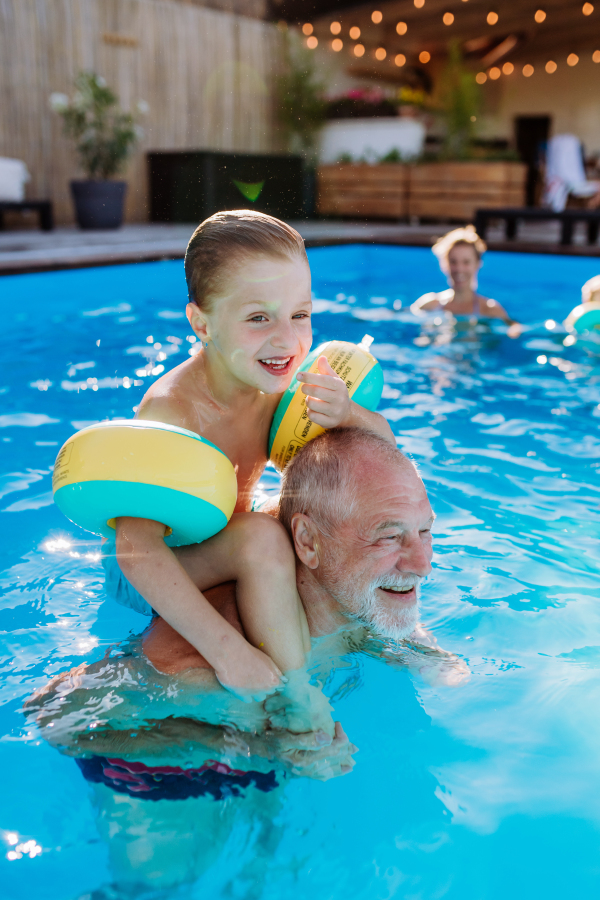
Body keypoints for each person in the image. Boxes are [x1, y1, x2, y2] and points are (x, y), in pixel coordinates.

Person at [27, 429, 467, 890]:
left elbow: (389, 630)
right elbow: (61, 712)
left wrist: (430, 658)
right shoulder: (210, 668)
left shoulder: (345, 592)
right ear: (308, 543)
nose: (421, 562)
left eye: (425, 531)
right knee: (163, 885)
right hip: (156, 766)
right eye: (388, 537)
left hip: (254, 768)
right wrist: (270, 750)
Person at [105, 210, 395, 730]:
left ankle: (378, 630)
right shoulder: (172, 413)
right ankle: (299, 702)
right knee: (262, 537)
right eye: (259, 318)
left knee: (312, 521)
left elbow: (381, 462)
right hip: (154, 573)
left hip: (222, 541)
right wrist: (226, 652)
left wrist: (351, 415)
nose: (287, 341)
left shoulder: (281, 385)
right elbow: (135, 549)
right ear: (202, 323)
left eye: (300, 315)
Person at [411, 226, 521, 338]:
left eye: (466, 262)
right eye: (453, 262)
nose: (459, 269)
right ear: (443, 264)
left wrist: (514, 331)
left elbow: (514, 327)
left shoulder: (490, 310)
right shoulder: (429, 305)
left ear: (478, 264)